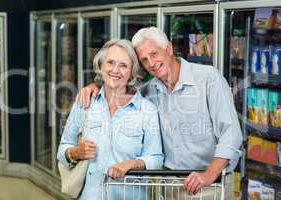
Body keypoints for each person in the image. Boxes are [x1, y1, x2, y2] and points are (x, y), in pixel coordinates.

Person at [77, 27, 243, 199]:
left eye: (154, 54)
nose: (151, 63)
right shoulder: (148, 91)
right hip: (167, 184)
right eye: (144, 60)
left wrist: (209, 174)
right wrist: (95, 87)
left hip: (209, 185)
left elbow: (231, 135)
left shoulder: (209, 79)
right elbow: (118, 85)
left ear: (169, 49)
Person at [57, 39, 164, 200]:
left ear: (131, 72)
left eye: (123, 65)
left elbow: (156, 158)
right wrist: (75, 152)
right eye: (110, 62)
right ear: (100, 66)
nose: (115, 70)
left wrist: (132, 164)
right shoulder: (85, 103)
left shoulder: (147, 110)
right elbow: (62, 149)